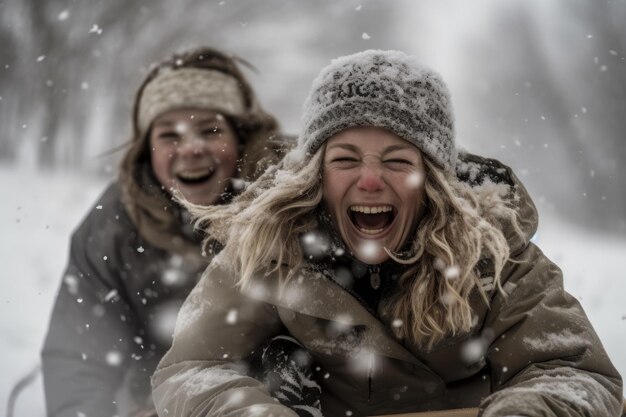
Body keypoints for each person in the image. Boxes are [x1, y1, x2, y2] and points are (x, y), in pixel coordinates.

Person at [151, 50, 624, 417]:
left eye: (398, 160)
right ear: (316, 176)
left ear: (434, 180)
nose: (371, 181)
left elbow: (575, 371)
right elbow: (193, 367)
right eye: (345, 159)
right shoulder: (268, 245)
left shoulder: (495, 251)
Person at [41, 46, 289, 417]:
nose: (191, 148)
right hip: (155, 401)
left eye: (210, 130)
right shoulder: (113, 225)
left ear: (242, 138)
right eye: (170, 135)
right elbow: (80, 357)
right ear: (147, 150)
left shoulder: (293, 202)